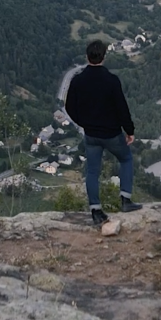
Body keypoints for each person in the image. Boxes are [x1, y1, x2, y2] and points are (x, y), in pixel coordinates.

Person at [64, 40, 144, 225]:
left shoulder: (78, 80)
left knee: (92, 171)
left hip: (91, 134)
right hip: (112, 133)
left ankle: (96, 210)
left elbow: (69, 106)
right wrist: (129, 130)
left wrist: (83, 122)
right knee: (126, 159)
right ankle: (125, 200)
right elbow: (122, 109)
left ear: (87, 57)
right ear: (104, 57)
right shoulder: (111, 80)